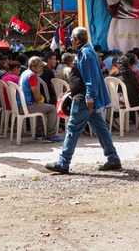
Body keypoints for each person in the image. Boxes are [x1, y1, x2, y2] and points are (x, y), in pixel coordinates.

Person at [45, 27, 122, 174]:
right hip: (83, 96)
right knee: (100, 128)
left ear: (77, 39)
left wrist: (89, 97)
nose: (70, 40)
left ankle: (63, 162)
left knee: (73, 128)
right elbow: (82, 76)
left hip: (83, 98)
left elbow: (91, 78)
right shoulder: (85, 51)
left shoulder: (86, 53)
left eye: (72, 37)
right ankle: (113, 159)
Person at [18, 56, 61, 142]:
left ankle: (40, 133)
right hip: (27, 106)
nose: (42, 68)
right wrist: (42, 98)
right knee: (52, 108)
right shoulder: (32, 76)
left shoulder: (25, 73)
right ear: (33, 67)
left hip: (21, 105)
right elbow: (37, 97)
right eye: (40, 67)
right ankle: (51, 135)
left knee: (41, 106)